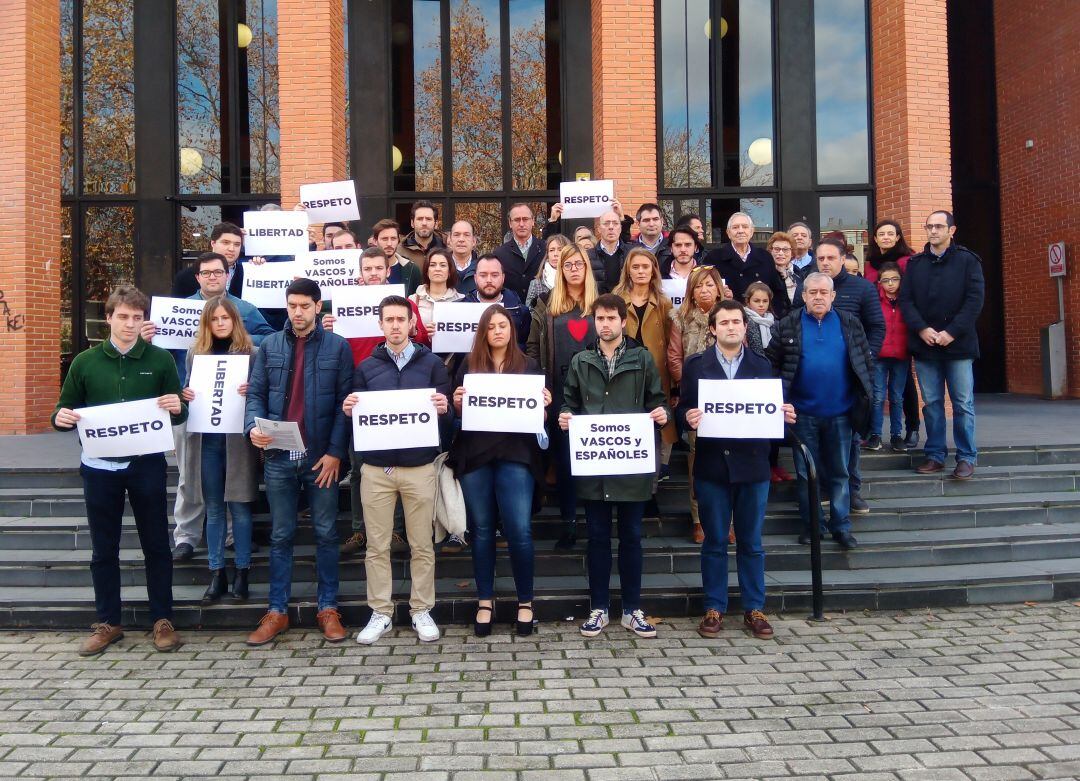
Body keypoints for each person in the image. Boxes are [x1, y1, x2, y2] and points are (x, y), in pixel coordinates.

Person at [52, 285, 185, 656]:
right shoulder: (85, 362)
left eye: (137, 317)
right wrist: (59, 418)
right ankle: (108, 622)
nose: (129, 324)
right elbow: (64, 410)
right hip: (99, 467)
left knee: (157, 544)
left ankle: (162, 620)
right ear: (108, 318)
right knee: (103, 548)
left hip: (146, 465)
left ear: (144, 320)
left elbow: (180, 411)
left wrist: (177, 405)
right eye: (123, 316)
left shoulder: (159, 360)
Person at [143, 251, 275, 563]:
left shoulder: (243, 308)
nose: (212, 277)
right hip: (189, 405)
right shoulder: (176, 309)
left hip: (231, 411)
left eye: (218, 272)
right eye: (206, 273)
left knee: (232, 477)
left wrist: (236, 337)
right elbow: (162, 356)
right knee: (189, 475)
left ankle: (230, 537)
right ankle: (186, 536)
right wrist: (148, 338)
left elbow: (269, 338)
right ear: (198, 276)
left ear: (228, 275)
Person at [244, 278, 354, 646]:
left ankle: (328, 608)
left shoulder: (338, 348)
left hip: (319, 457)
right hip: (278, 456)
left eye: (305, 305)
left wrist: (336, 453)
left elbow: (344, 403)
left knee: (325, 533)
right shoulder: (270, 346)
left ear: (318, 307)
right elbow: (255, 396)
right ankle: (277, 611)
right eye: (292, 305)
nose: (298, 312)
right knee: (281, 535)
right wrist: (251, 429)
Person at [678, 299, 796, 640]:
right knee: (714, 540)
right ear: (713, 329)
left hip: (753, 465)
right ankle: (714, 607)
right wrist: (686, 417)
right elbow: (683, 406)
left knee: (751, 541)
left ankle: (754, 607)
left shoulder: (761, 364)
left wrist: (785, 414)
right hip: (712, 465)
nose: (731, 327)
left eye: (737, 322)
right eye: (724, 322)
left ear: (745, 328)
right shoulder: (696, 365)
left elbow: (770, 410)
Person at [559, 294, 670, 639]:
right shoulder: (581, 360)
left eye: (611, 318)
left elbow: (656, 398)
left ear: (624, 322)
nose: (605, 324)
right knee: (597, 537)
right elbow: (569, 401)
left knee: (632, 537)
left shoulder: (642, 358)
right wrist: (565, 415)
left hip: (631, 466)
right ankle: (599, 608)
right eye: (600, 319)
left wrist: (662, 413)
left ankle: (632, 609)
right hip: (595, 465)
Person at [346, 295, 453, 645]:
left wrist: (444, 407)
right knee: (377, 546)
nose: (394, 325)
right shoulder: (365, 368)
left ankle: (421, 609)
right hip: (377, 470)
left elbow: (447, 419)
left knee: (422, 544)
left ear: (411, 324)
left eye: (400, 320)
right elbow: (358, 421)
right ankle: (381, 612)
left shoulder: (433, 364)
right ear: (380, 325)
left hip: (419, 466)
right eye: (388, 320)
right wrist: (350, 410)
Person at [450, 305, 551, 637]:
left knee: (519, 530)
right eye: (491, 326)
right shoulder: (469, 365)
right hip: (476, 456)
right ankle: (485, 601)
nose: (497, 331)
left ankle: (525, 602)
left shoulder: (529, 367)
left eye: (503, 325)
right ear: (483, 332)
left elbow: (539, 420)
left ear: (512, 330)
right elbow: (457, 416)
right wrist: (458, 403)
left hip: (516, 456)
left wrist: (544, 407)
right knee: (481, 531)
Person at [766, 272, 875, 551]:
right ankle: (812, 526)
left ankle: (841, 527)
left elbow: (865, 365)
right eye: (812, 292)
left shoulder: (850, 323)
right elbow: (771, 366)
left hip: (841, 413)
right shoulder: (787, 325)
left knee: (840, 473)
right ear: (803, 296)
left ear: (832, 296)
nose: (818, 297)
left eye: (823, 292)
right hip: (802, 414)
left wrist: (867, 402)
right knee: (807, 475)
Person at [179, 296, 259, 603]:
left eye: (226, 318)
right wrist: (184, 393)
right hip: (207, 440)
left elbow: (262, 391)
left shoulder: (251, 354)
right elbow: (186, 391)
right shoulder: (194, 354)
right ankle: (217, 573)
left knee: (239, 507)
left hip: (238, 441)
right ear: (207, 323)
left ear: (235, 320)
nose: (221, 323)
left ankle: (242, 573)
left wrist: (252, 388)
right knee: (213, 509)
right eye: (215, 319)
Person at [899, 210, 985, 479]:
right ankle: (935, 455)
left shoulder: (968, 261)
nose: (933, 231)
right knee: (932, 403)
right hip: (925, 345)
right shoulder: (916, 264)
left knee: (962, 403)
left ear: (952, 230)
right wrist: (922, 328)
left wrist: (951, 332)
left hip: (958, 345)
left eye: (938, 226)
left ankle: (966, 458)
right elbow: (906, 301)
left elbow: (974, 301)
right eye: (929, 227)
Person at [527, 243, 599, 550]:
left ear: (586, 268)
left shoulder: (600, 304)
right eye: (567, 265)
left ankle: (596, 524)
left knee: (595, 462)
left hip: (596, 395)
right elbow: (532, 346)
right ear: (559, 269)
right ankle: (569, 524)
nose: (573, 269)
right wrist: (538, 385)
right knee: (566, 461)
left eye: (578, 264)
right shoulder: (545, 303)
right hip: (558, 394)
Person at [813, 237, 885, 515]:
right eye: (821, 259)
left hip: (850, 378)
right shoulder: (809, 289)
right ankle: (821, 488)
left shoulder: (862, 289)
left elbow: (877, 327)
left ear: (843, 259)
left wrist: (865, 361)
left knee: (851, 437)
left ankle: (852, 490)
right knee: (817, 435)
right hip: (816, 378)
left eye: (831, 258)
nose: (825, 263)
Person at [667, 265, 723, 543]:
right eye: (699, 286)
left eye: (709, 285)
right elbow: (674, 358)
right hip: (695, 403)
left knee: (729, 461)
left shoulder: (729, 316)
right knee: (696, 462)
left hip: (727, 402)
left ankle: (728, 519)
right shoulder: (680, 318)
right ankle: (698, 518)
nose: (704, 290)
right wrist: (689, 386)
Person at [612, 248, 677, 481]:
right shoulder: (616, 299)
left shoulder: (663, 302)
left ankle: (653, 486)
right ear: (628, 271)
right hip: (624, 374)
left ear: (653, 271)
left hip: (657, 373)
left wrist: (675, 384)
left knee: (658, 425)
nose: (640, 271)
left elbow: (672, 343)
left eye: (645, 267)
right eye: (635, 267)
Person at [866, 218, 920, 449]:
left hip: (900, 339)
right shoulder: (871, 263)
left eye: (891, 233)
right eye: (882, 234)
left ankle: (910, 429)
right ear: (875, 238)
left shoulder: (908, 259)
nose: (886, 237)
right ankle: (875, 433)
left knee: (903, 390)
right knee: (878, 393)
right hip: (880, 340)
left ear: (898, 237)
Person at [703, 212, 788, 316]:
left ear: (752, 231)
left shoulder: (765, 257)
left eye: (745, 227)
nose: (740, 231)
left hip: (761, 320)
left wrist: (773, 316)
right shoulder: (714, 258)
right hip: (728, 318)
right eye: (735, 227)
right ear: (728, 233)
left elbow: (777, 292)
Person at [869, 263, 911, 452]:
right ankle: (875, 434)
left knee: (897, 397)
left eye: (894, 279)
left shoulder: (907, 301)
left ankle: (896, 435)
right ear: (879, 283)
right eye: (885, 280)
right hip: (879, 354)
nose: (890, 284)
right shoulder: (875, 301)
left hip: (901, 354)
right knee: (877, 396)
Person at [171, 222, 251, 300]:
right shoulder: (185, 277)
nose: (231, 249)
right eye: (226, 243)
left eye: (237, 244)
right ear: (213, 243)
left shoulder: (250, 274)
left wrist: (260, 265)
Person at [463, 255, 531, 347]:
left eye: (494, 275)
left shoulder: (520, 311)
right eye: (483, 275)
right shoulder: (460, 308)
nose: (489, 280)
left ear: (503, 278)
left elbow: (525, 347)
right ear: (475, 278)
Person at [492, 203, 545, 300]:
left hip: (542, 311)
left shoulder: (546, 249)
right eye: (517, 220)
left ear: (533, 221)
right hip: (511, 310)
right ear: (510, 223)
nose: (521, 224)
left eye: (525, 219)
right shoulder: (499, 254)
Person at [410, 246, 465, 337]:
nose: (437, 269)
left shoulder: (461, 300)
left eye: (443, 265)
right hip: (420, 349)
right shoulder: (413, 300)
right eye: (432, 265)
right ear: (427, 271)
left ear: (450, 271)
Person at [372, 218, 423, 295]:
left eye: (393, 239)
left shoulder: (412, 269)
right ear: (375, 241)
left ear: (398, 241)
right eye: (384, 239)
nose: (389, 243)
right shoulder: (363, 270)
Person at [588, 207, 631, 292]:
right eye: (606, 223)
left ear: (621, 228)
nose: (611, 227)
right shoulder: (588, 256)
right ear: (599, 229)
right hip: (598, 303)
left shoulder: (631, 253)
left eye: (615, 223)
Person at [526, 234, 570, 309]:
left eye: (560, 250)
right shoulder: (536, 284)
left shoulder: (574, 280)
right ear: (547, 254)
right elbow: (530, 311)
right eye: (552, 250)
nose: (555, 254)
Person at [397, 200, 447, 266]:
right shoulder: (399, 252)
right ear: (412, 223)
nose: (424, 223)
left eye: (428, 219)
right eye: (420, 219)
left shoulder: (447, 249)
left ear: (436, 224)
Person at [768, 231, 802, 310]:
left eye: (785, 249)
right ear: (770, 251)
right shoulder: (765, 272)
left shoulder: (799, 273)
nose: (780, 253)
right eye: (776, 249)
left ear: (792, 253)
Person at [447, 219, 479, 295]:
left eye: (466, 235)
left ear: (474, 241)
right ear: (450, 240)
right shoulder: (440, 268)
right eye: (456, 235)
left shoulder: (482, 269)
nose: (461, 239)